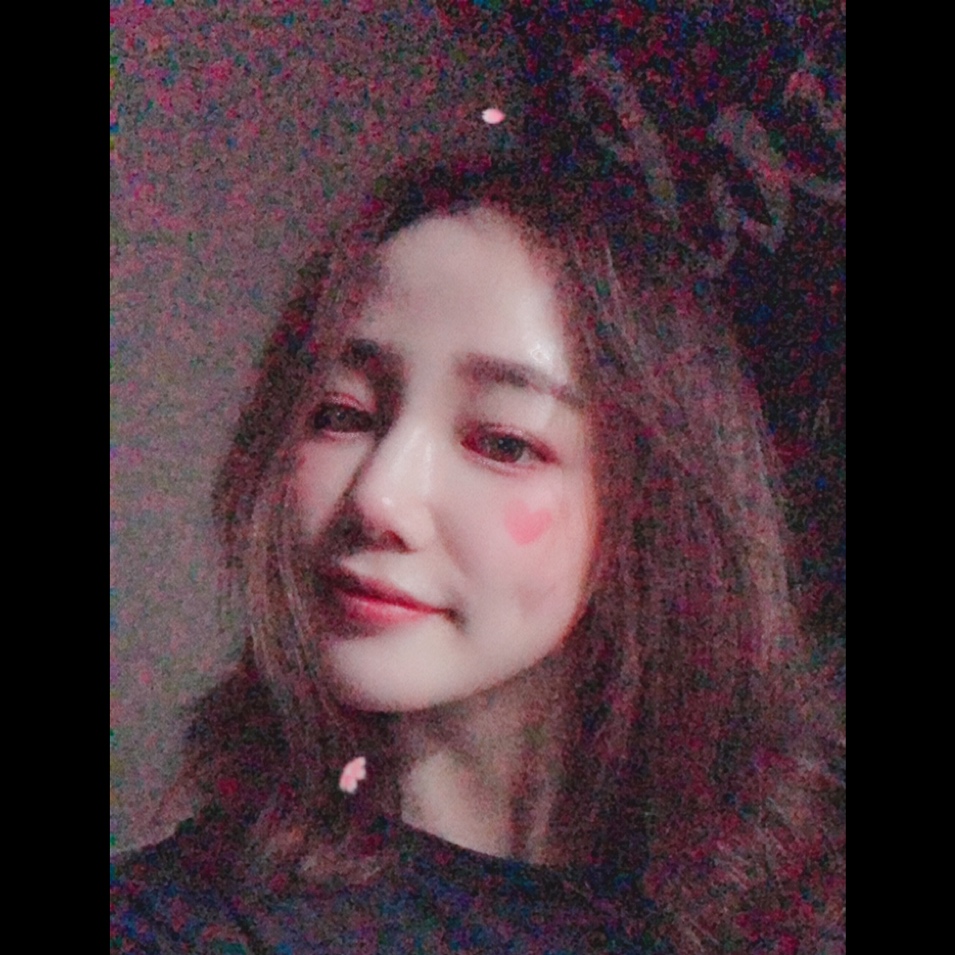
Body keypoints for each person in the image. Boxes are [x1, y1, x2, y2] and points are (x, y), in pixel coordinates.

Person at [111, 140, 843, 954]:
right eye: (341, 413)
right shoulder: (176, 923)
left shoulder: (792, 887)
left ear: (655, 508)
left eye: (502, 441)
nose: (379, 497)